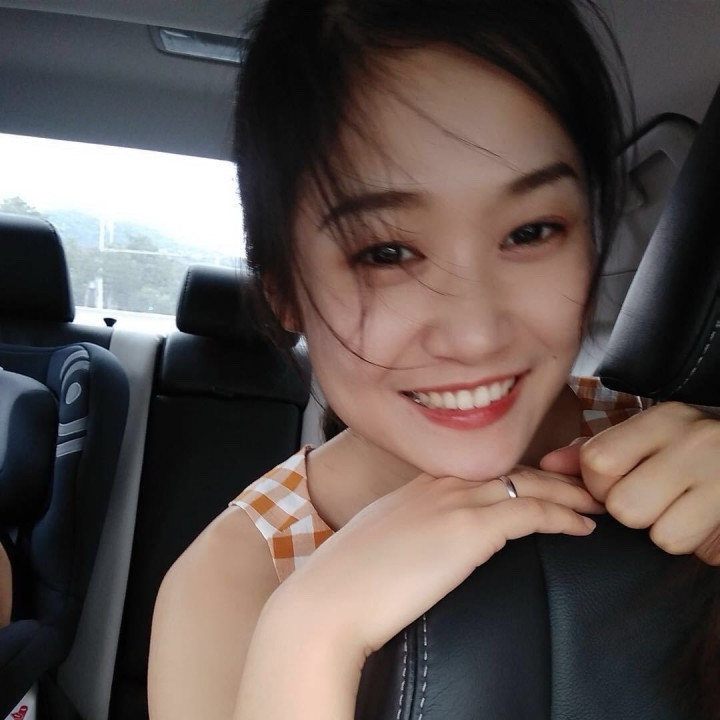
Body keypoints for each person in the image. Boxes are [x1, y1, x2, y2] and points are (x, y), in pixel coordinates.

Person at [148, 1, 720, 718]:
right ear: (284, 292)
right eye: (386, 253)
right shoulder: (232, 581)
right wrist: (309, 636)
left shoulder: (690, 460)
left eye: (532, 231)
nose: (476, 335)